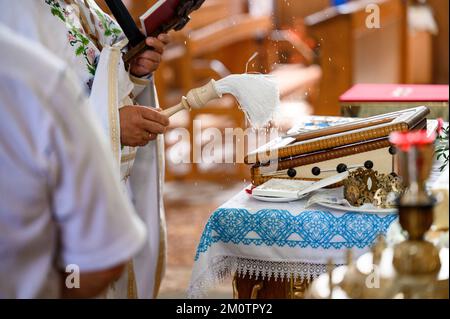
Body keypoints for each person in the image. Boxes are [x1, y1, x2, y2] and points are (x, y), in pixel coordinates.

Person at [0, 0, 169, 298]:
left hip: (107, 194)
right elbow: (25, 128)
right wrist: (113, 124)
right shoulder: (14, 14)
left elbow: (101, 75)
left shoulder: (79, 3)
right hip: (59, 229)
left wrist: (136, 70)